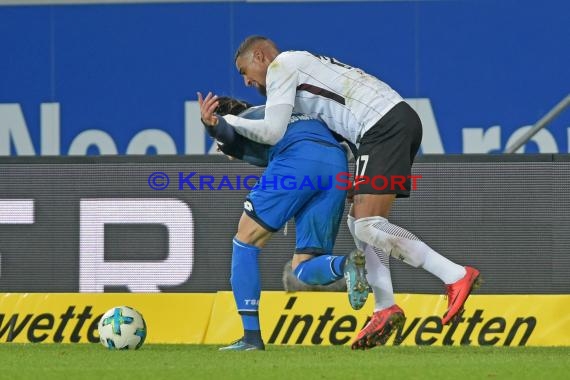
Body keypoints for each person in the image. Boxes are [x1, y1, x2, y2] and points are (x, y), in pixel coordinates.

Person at [203, 35, 481, 350]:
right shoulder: (302, 72)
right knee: (361, 223)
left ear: (261, 55)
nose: (247, 81)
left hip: (381, 126)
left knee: (365, 225)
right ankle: (384, 307)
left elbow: (271, 131)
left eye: (245, 71)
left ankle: (454, 274)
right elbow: (339, 125)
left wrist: (225, 121)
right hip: (391, 123)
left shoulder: (282, 65)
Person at [198, 95, 370, 351]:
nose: (218, 149)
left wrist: (213, 126)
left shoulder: (244, 120)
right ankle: (346, 265)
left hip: (299, 159)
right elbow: (343, 136)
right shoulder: (288, 110)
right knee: (304, 265)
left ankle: (251, 338)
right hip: (336, 163)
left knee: (245, 241)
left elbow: (229, 134)